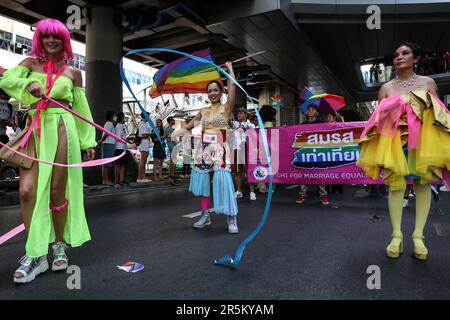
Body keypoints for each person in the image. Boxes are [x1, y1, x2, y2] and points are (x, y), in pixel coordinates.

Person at [0, 18, 96, 283]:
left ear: (63, 41)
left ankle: (59, 245)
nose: (51, 41)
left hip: (63, 128)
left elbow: (80, 109)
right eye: (45, 36)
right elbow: (7, 81)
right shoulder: (29, 64)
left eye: (56, 37)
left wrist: (88, 142)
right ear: (39, 39)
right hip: (36, 129)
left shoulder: (74, 73)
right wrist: (26, 86)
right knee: (26, 191)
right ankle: (36, 253)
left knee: (56, 192)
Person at [357, 42, 450, 261]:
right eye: (397, 54)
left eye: (405, 53)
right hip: (395, 144)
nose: (399, 57)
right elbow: (378, 122)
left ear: (416, 59)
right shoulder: (386, 88)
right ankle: (396, 236)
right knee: (396, 186)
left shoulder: (428, 82)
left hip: (425, 144)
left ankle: (419, 237)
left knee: (423, 183)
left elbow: (439, 115)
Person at [182, 62, 238, 233]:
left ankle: (231, 218)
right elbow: (189, 125)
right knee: (205, 185)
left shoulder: (226, 108)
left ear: (221, 92)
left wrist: (229, 70)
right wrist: (173, 134)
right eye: (210, 90)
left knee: (223, 183)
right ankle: (205, 216)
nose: (212, 93)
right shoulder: (203, 111)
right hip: (203, 149)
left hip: (220, 149)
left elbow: (233, 86)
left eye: (216, 90)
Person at [296, 105, 329, 205]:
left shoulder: (322, 124)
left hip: (319, 152)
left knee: (320, 173)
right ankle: (302, 193)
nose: (310, 111)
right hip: (306, 151)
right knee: (304, 172)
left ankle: (323, 194)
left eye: (312, 109)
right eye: (309, 110)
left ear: (317, 112)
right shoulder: (302, 124)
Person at [232, 107, 256, 200]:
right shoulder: (234, 124)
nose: (238, 115)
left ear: (246, 115)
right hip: (238, 149)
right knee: (238, 171)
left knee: (249, 171)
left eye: (241, 113)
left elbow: (253, 134)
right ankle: (238, 191)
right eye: (238, 113)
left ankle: (252, 192)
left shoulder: (251, 125)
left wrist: (246, 126)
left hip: (248, 149)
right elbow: (228, 122)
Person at [325, 113, 343, 194]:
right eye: (327, 117)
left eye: (329, 117)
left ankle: (337, 188)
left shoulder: (339, 125)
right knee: (327, 170)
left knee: (336, 169)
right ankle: (327, 188)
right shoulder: (324, 126)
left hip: (336, 150)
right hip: (327, 150)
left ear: (334, 118)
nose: (328, 119)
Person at [97, 110, 115, 185]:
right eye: (114, 115)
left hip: (109, 144)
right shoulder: (109, 123)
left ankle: (105, 180)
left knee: (106, 163)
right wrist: (101, 140)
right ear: (111, 116)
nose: (115, 117)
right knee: (105, 163)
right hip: (107, 144)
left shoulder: (109, 123)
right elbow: (106, 134)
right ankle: (105, 180)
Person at [137, 113, 151, 183]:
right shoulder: (142, 125)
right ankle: (140, 177)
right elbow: (143, 135)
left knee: (144, 161)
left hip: (145, 144)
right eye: (148, 116)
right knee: (142, 161)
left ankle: (143, 177)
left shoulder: (144, 124)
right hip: (144, 144)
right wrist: (151, 134)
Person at [114, 112, 128, 185]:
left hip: (120, 147)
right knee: (119, 164)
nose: (124, 118)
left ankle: (120, 179)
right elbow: (118, 137)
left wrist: (126, 140)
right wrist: (125, 141)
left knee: (120, 164)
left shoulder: (120, 126)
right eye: (124, 117)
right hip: (119, 148)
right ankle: (119, 180)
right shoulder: (119, 126)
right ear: (121, 118)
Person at [165, 116, 177, 185]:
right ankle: (172, 176)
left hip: (172, 146)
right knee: (173, 162)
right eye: (173, 120)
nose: (174, 121)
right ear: (170, 121)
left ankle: (171, 175)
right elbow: (171, 138)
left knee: (172, 161)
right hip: (172, 147)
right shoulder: (169, 129)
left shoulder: (170, 129)